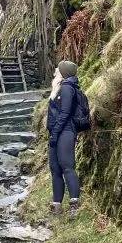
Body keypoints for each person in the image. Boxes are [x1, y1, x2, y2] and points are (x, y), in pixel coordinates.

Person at [47, 60, 81, 216]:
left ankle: (74, 204)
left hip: (65, 132)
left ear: (63, 72)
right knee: (55, 169)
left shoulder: (67, 88)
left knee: (67, 167)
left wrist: (56, 132)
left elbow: (65, 113)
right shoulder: (59, 88)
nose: (55, 71)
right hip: (57, 132)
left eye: (58, 69)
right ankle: (57, 205)